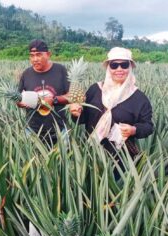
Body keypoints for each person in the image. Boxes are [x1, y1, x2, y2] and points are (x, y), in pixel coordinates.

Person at [69, 47, 154, 176]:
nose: (119, 69)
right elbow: (82, 119)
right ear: (109, 68)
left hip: (121, 159)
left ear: (130, 67)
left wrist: (133, 129)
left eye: (124, 65)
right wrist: (75, 114)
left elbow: (148, 126)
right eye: (114, 65)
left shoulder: (139, 98)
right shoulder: (95, 90)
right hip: (91, 153)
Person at [17, 39, 70, 146]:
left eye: (39, 55)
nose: (35, 59)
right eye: (32, 55)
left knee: (62, 161)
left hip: (58, 130)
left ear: (48, 54)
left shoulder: (61, 70)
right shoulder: (26, 74)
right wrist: (20, 103)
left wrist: (54, 100)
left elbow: (72, 96)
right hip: (32, 130)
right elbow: (18, 98)